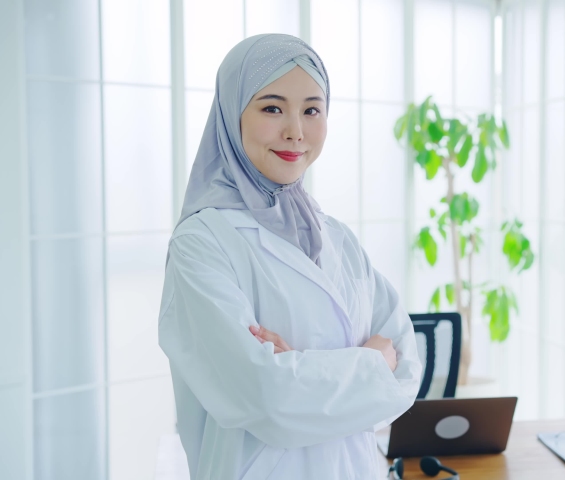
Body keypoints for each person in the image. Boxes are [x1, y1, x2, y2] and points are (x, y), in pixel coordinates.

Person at [158, 34, 422, 479]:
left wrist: (299, 365)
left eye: (312, 110)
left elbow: (407, 367)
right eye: (272, 107)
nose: (296, 131)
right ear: (231, 113)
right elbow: (264, 395)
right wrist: (370, 362)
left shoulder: (335, 236)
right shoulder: (201, 243)